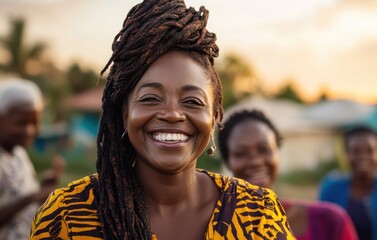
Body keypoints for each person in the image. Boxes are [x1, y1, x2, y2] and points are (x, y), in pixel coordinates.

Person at [30, 1, 296, 239]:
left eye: (192, 101)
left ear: (214, 116)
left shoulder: (258, 214)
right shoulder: (66, 217)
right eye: (150, 98)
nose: (171, 114)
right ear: (124, 113)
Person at [218, 109, 358, 240]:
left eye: (264, 149)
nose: (255, 161)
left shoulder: (329, 221)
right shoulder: (217, 230)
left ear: (278, 152)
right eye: (241, 154)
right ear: (228, 161)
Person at [0, 78, 65, 240]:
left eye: (34, 122)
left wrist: (42, 189)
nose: (29, 130)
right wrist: (32, 197)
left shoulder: (18, 154)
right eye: (21, 123)